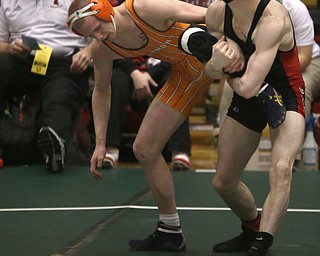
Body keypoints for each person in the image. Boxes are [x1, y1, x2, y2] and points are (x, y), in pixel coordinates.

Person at [67, 0, 243, 252]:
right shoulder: (103, 48)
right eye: (91, 35)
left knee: (199, 40)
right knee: (145, 149)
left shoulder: (145, 7)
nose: (99, 36)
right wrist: (101, 143)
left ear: (104, 9)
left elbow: (214, 16)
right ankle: (169, 230)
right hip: (183, 72)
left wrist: (237, 44)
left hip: (206, 55)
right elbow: (102, 90)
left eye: (98, 27)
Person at [203, 0, 305, 255]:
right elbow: (208, 70)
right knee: (223, 181)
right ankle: (252, 228)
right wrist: (216, 62)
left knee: (281, 168)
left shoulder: (273, 18)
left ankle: (261, 243)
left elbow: (247, 86)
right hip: (247, 93)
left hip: (284, 93)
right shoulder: (217, 12)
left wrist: (222, 66)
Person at [0, 0, 92, 172]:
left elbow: (102, 35)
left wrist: (87, 52)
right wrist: (10, 48)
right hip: (24, 59)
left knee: (59, 96)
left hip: (64, 61)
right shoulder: (7, 2)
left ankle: (55, 150)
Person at [104, 56, 192, 170]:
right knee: (115, 80)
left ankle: (180, 150)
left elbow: (178, 55)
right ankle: (110, 149)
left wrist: (148, 74)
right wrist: (135, 74)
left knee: (177, 81)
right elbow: (115, 52)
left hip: (161, 70)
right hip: (129, 70)